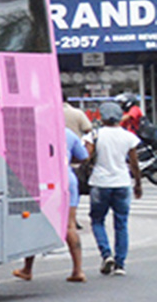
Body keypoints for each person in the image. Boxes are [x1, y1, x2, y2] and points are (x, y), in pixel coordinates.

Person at [16, 124, 90, 283]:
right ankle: (78, 270)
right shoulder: (68, 133)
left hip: (43, 178)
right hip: (67, 178)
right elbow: (84, 156)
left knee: (35, 223)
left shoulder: (36, 132)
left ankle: (27, 269)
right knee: (70, 225)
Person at [86, 102, 145, 275]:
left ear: (102, 117)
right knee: (121, 223)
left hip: (100, 183)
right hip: (122, 182)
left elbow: (86, 157)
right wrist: (138, 184)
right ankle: (120, 264)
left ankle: (106, 254)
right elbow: (134, 163)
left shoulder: (94, 135)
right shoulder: (128, 137)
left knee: (97, 220)